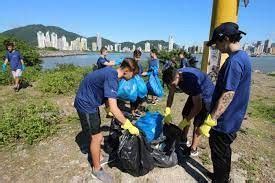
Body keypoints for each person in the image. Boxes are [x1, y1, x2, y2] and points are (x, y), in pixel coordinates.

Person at [74, 58, 140, 182]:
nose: (133, 77)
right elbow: (115, 109)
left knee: (96, 132)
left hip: (91, 102)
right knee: (97, 137)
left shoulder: (112, 73)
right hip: (86, 104)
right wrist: (128, 124)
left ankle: (98, 156)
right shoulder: (112, 77)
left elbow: (106, 94)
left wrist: (108, 108)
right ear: (127, 71)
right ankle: (97, 170)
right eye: (134, 74)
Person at [201, 22, 250, 182]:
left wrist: (211, 119)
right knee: (224, 152)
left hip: (224, 120)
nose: (216, 47)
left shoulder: (233, 62)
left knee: (219, 153)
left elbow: (228, 94)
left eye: (217, 43)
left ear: (226, 39)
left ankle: (220, 180)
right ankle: (221, 176)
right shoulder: (243, 57)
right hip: (234, 116)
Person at [162, 66, 214, 156]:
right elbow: (171, 95)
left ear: (178, 77)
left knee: (198, 123)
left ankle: (193, 149)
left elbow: (198, 107)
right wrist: (168, 110)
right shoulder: (175, 75)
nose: (172, 87)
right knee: (185, 114)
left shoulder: (190, 81)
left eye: (173, 84)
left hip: (207, 95)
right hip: (195, 93)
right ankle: (183, 139)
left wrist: (184, 122)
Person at [130, 49, 146, 117]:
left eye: (139, 57)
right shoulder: (131, 63)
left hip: (138, 83)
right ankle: (132, 112)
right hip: (132, 83)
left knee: (139, 98)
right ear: (133, 56)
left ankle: (136, 110)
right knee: (133, 98)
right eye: (136, 57)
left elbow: (141, 73)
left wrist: (146, 73)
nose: (138, 59)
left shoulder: (139, 64)